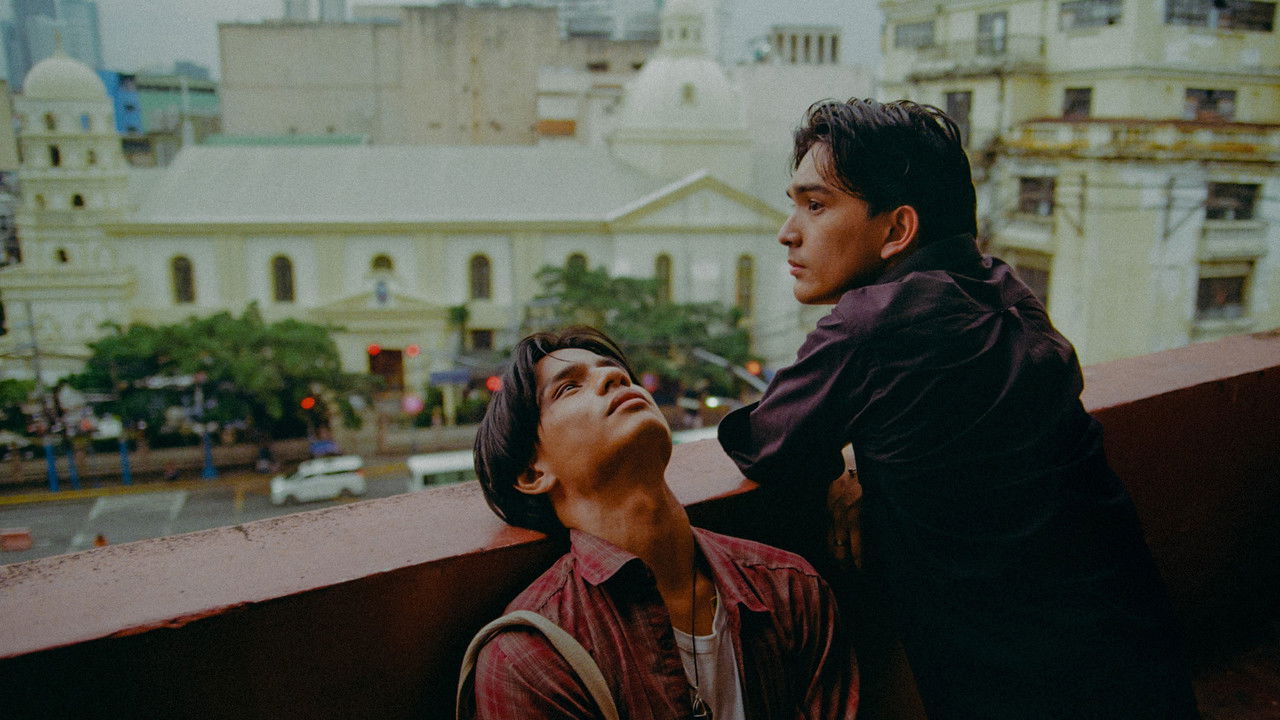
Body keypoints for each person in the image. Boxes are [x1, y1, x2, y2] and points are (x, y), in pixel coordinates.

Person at [717, 99, 1199, 719]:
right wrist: (861, 461)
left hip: (1017, 683)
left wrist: (842, 462)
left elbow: (765, 443)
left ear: (897, 230)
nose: (788, 231)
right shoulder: (1005, 289)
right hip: (1135, 647)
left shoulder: (873, 322)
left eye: (815, 205)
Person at [470, 326, 858, 719]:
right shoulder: (530, 659)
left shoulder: (790, 588)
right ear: (532, 473)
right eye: (569, 388)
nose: (615, 376)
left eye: (615, 370)